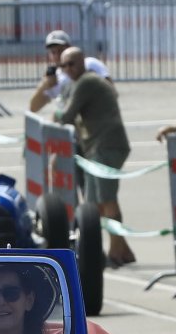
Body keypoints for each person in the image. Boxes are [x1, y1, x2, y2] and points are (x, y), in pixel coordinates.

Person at [56, 46, 135, 266]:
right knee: (94, 205)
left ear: (83, 62)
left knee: (107, 199)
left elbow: (67, 115)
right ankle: (123, 250)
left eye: (72, 63)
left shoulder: (87, 82)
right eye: (64, 65)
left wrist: (55, 115)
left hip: (107, 145)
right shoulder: (78, 83)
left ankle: (116, 250)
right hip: (96, 147)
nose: (68, 69)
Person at [29, 31, 112, 116]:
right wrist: (43, 86)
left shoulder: (90, 64)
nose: (57, 55)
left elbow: (111, 90)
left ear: (70, 48)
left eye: (60, 50)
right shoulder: (54, 80)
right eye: (53, 52)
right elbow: (33, 108)